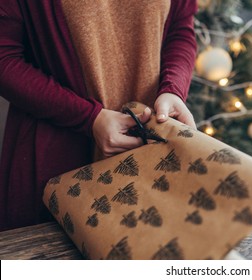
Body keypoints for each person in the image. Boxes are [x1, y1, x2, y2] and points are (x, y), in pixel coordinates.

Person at [0, 0, 198, 231]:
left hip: (151, 153)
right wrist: (88, 118)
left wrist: (173, 90)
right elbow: (4, 57)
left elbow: (180, 28)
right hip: (56, 160)